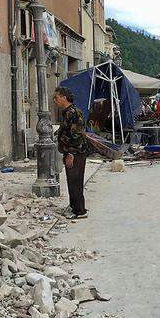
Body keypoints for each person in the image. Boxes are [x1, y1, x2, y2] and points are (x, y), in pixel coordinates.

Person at [54, 87, 89, 220]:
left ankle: (79, 211)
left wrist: (70, 154)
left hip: (76, 152)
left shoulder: (73, 113)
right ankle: (75, 207)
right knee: (72, 180)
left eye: (56, 97)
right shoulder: (68, 112)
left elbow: (77, 136)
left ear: (64, 97)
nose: (55, 100)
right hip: (72, 151)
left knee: (75, 181)